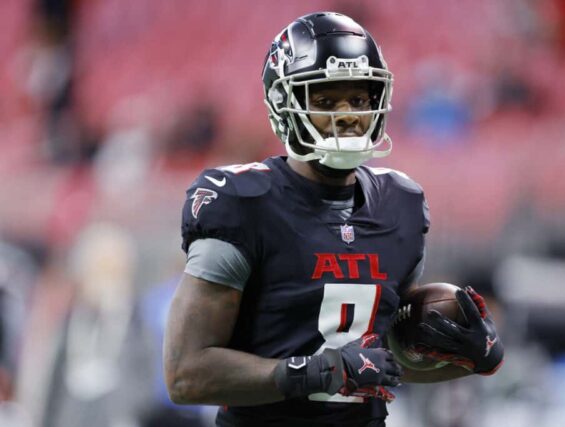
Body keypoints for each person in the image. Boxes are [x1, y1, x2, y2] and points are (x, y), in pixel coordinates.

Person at [163, 11, 504, 427]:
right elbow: (186, 375)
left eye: (359, 100)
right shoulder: (242, 202)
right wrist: (316, 370)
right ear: (283, 106)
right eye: (325, 100)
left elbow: (381, 360)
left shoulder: (401, 205)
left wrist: (470, 355)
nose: (347, 115)